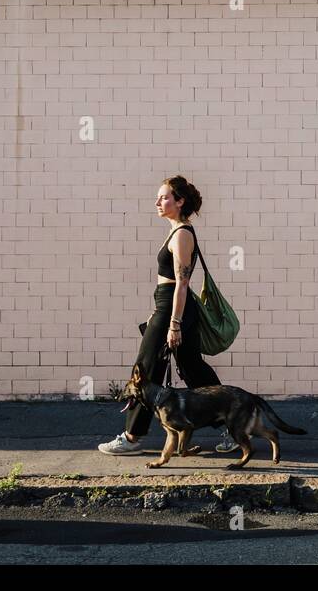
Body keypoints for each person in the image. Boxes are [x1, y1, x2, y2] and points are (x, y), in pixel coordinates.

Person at [98, 175, 238, 455]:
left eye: (164, 197)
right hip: (166, 307)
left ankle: (132, 436)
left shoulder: (183, 234)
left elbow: (181, 283)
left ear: (179, 201)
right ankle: (232, 426)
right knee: (192, 368)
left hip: (175, 310)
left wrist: (173, 323)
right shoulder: (176, 231)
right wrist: (157, 314)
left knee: (146, 368)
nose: (158, 202)